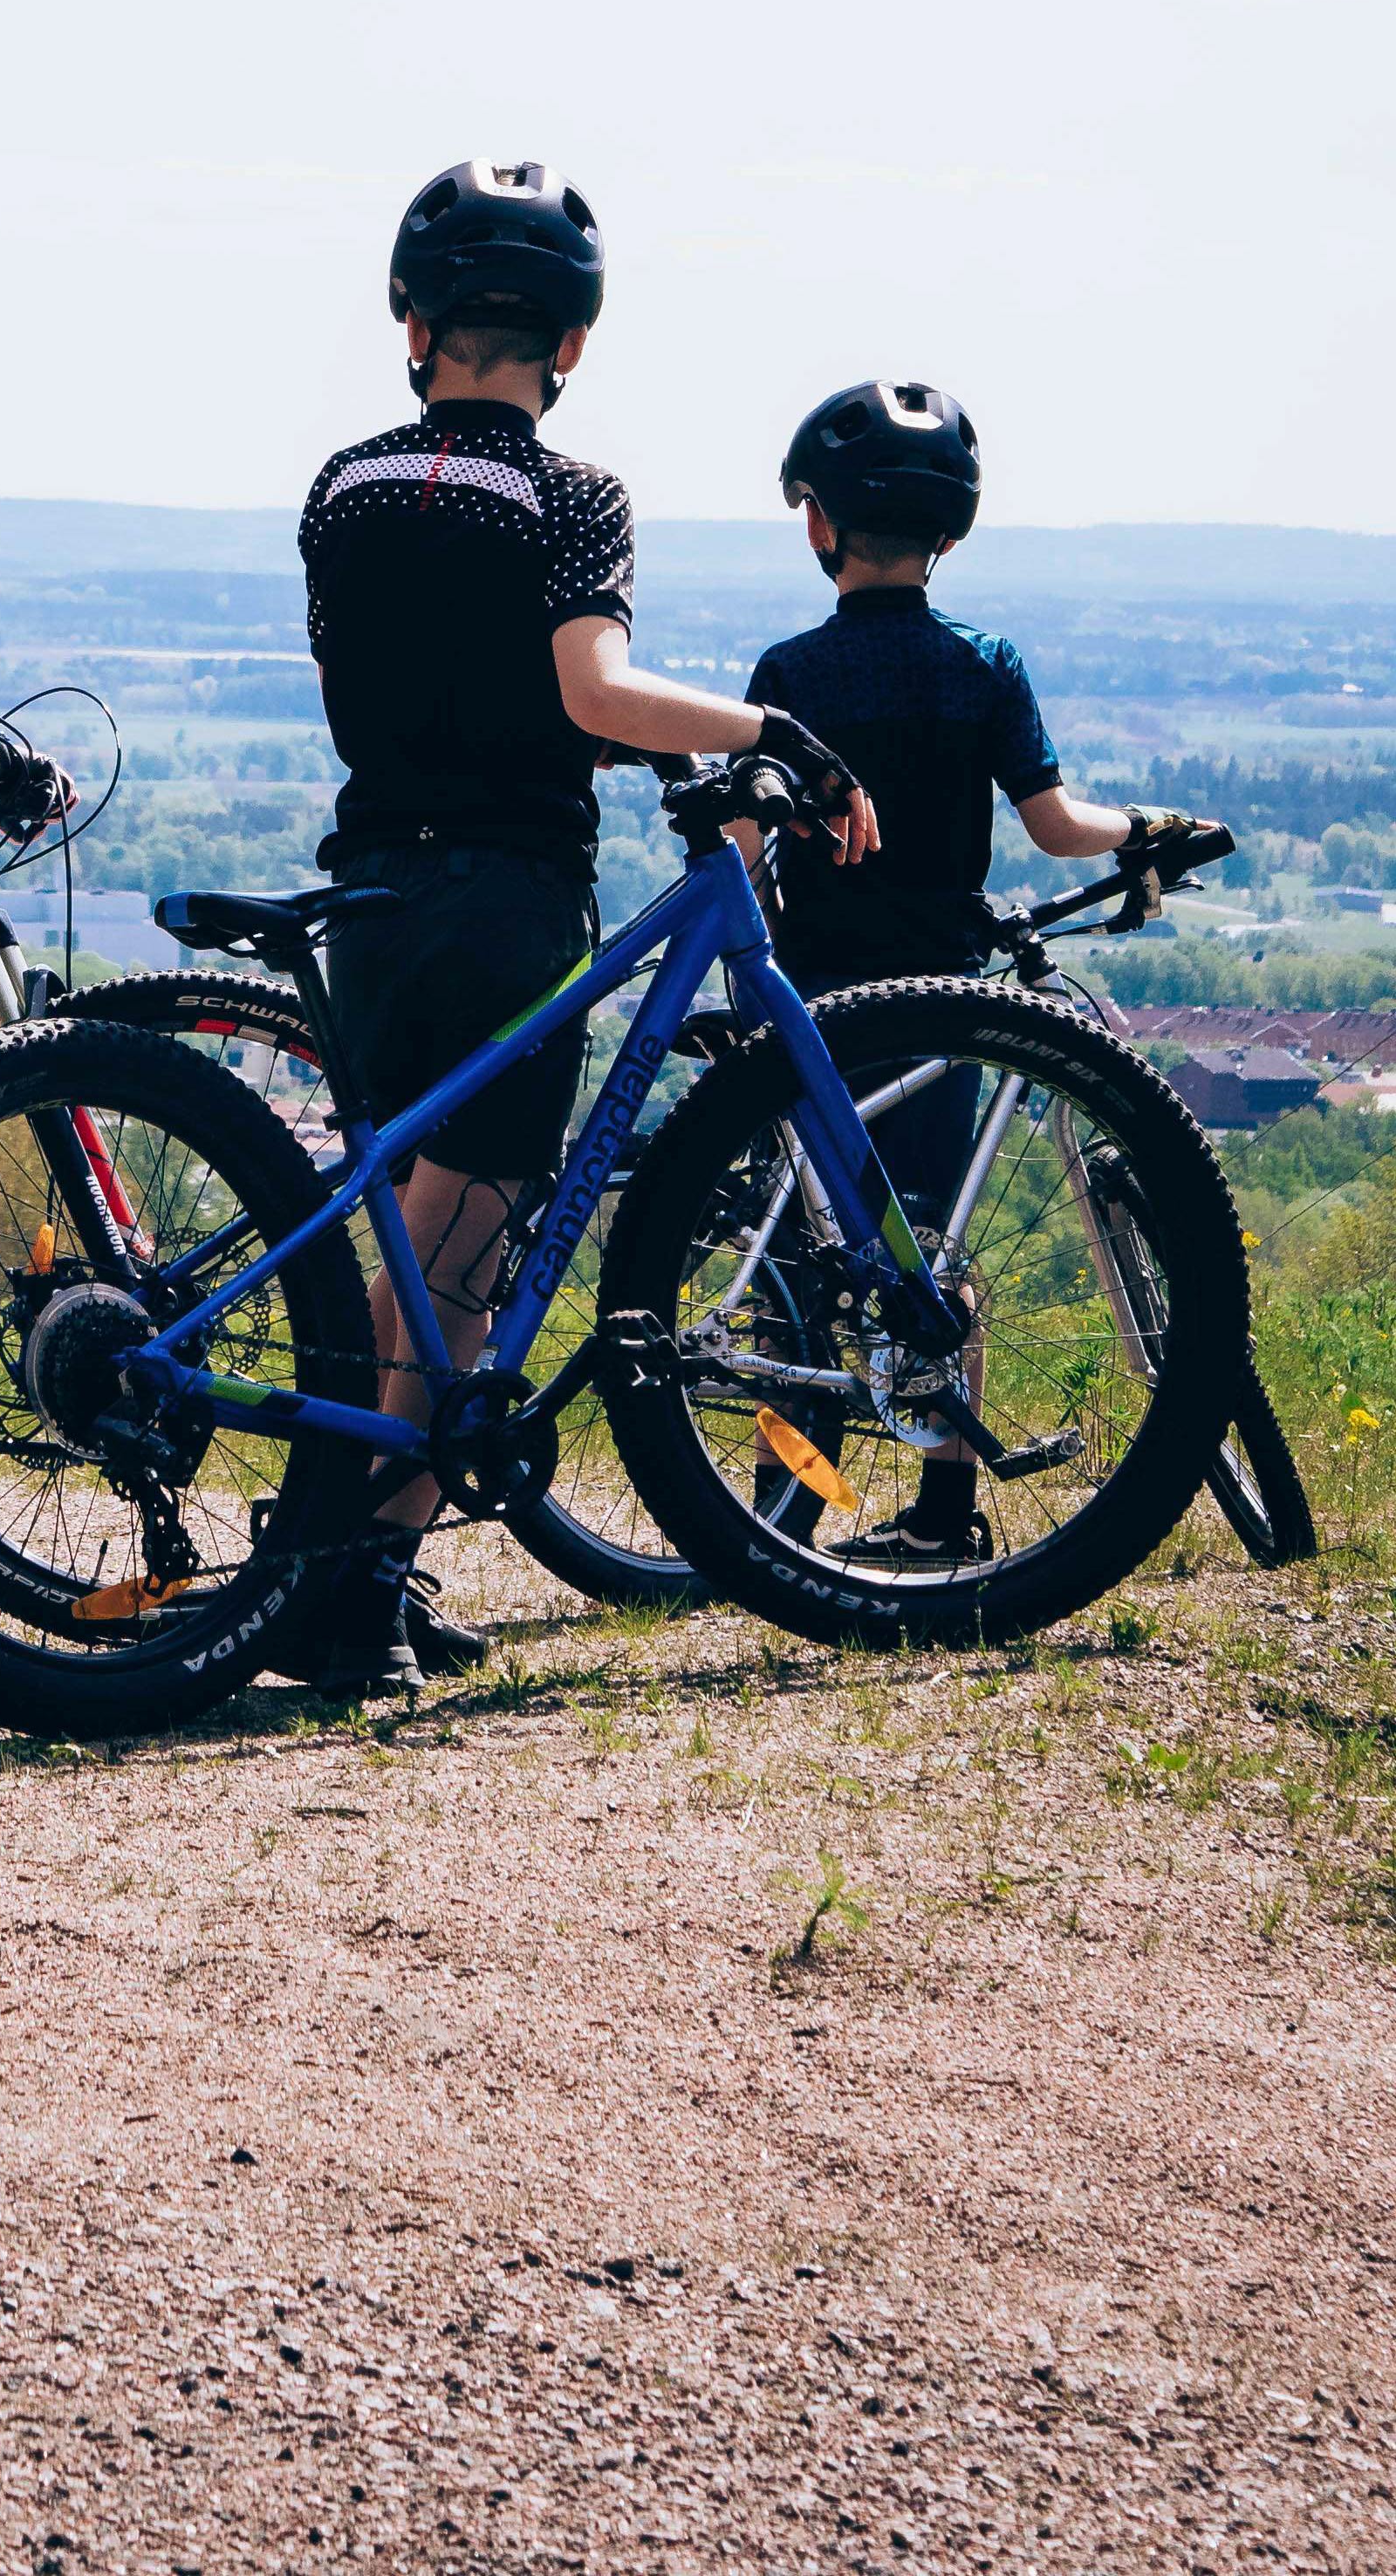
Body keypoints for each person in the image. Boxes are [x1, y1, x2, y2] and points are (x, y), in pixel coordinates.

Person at [286, 159, 876, 1695]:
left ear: (414, 322)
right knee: (463, 1267)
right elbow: (580, 694)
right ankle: (338, 1591)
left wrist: (661, 747)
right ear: (573, 342)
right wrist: (772, 731)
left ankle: (364, 1569)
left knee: (413, 1259)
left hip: (371, 894)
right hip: (506, 897)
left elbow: (438, 687)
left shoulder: (343, 483)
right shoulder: (572, 495)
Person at [746, 378, 1208, 1563]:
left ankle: (781, 1512)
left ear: (819, 525)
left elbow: (744, 853)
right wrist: (1146, 822)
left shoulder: (791, 673)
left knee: (799, 1256)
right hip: (953, 1004)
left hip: (822, 1005)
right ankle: (945, 1514)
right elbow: (1055, 824)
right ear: (950, 533)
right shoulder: (985, 665)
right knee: (935, 1254)